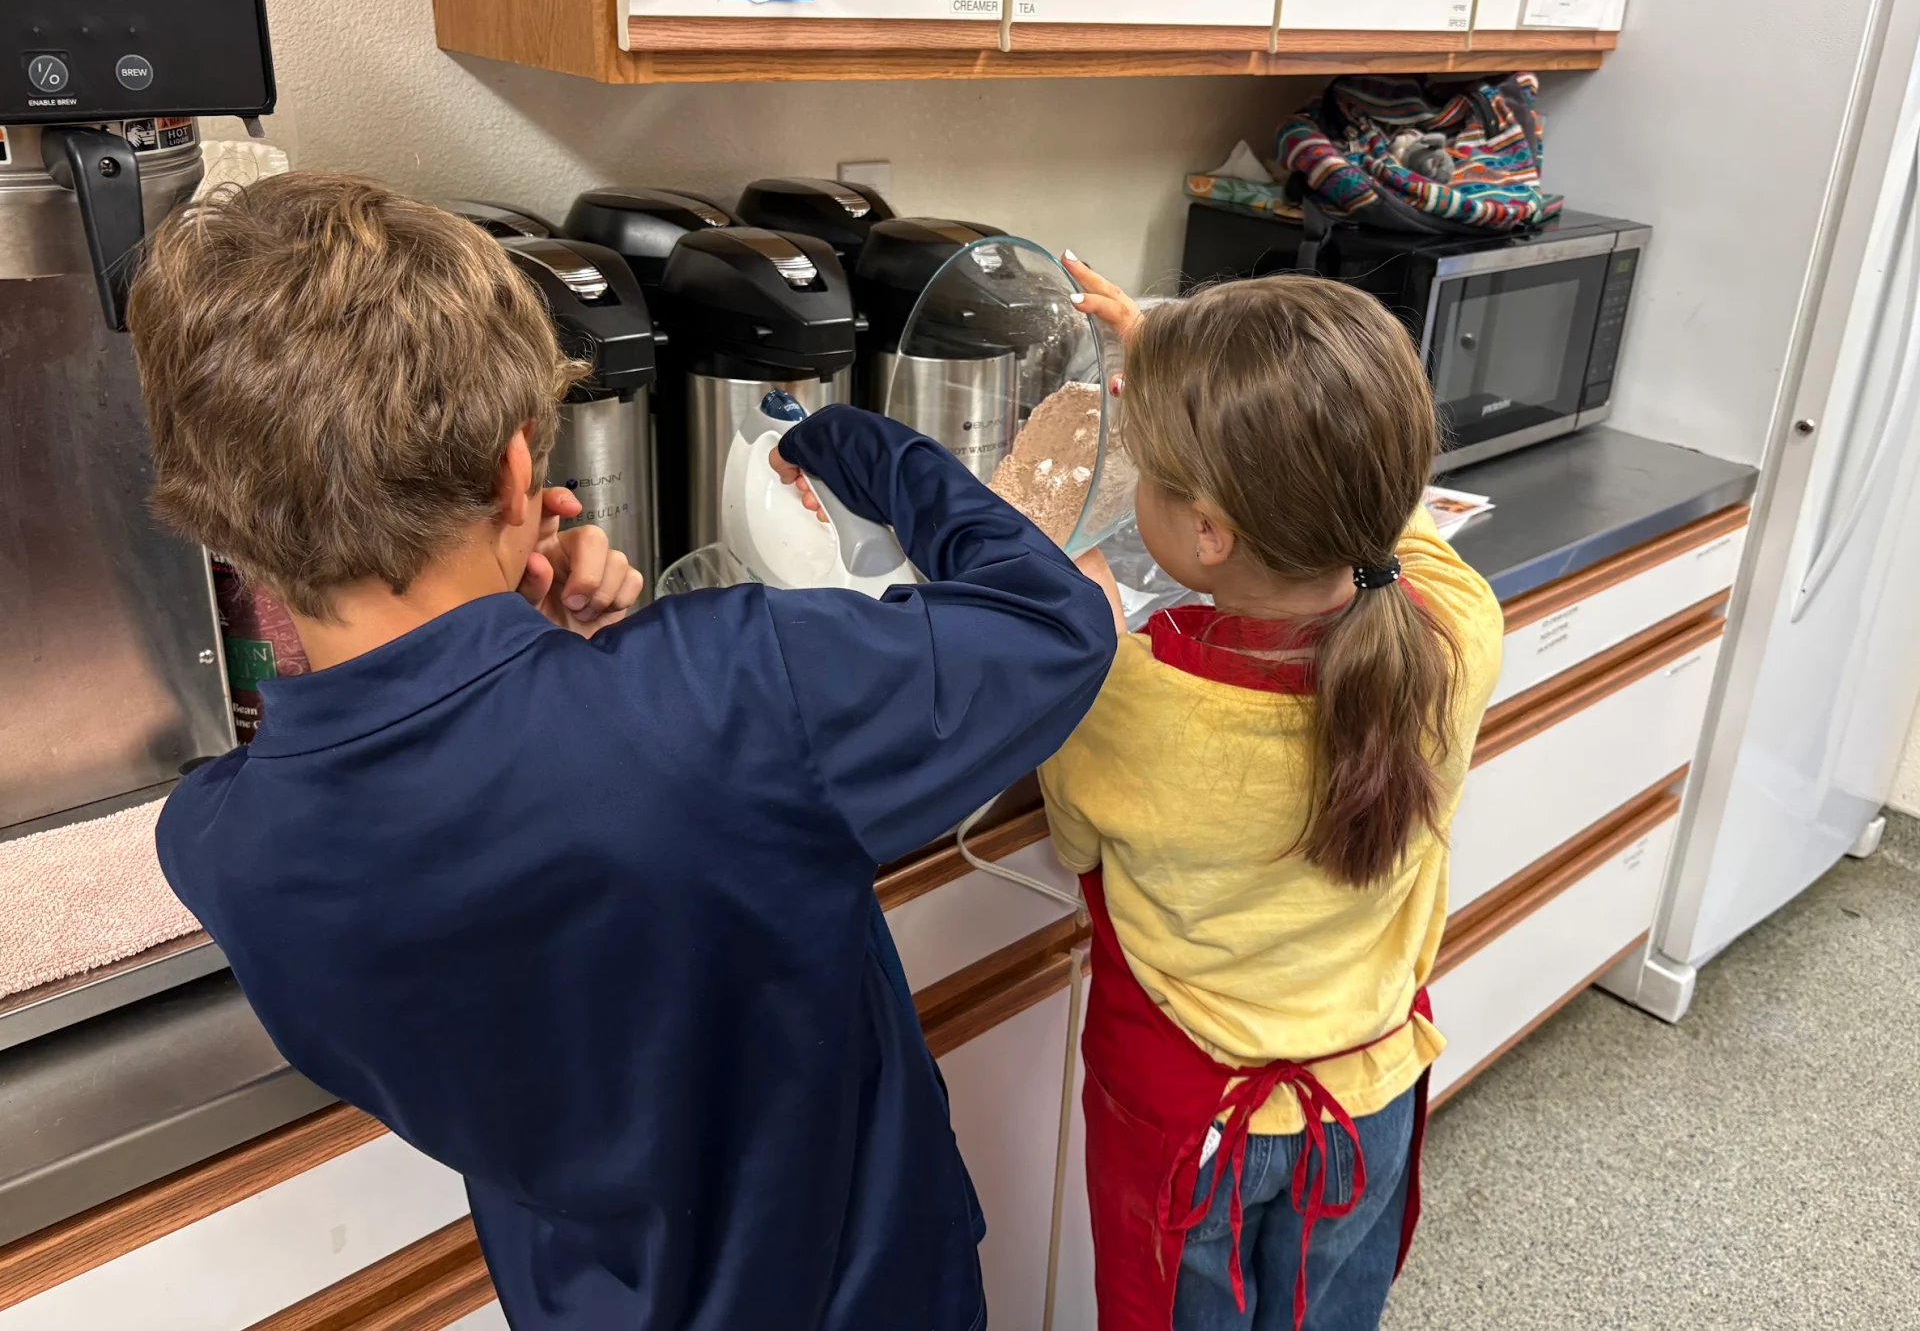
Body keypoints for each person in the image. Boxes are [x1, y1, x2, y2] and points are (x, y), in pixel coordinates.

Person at [135, 173, 1117, 1331]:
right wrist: (860, 446)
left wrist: (532, 652)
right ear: (516, 471)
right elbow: (1055, 624)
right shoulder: (729, 692)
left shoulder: (218, 846)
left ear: (227, 525)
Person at [1041, 257, 1504, 1331]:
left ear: (1209, 533)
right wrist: (1197, 385)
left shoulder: (1123, 701)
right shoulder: (1455, 636)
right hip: (1367, 1104)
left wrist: (1082, 614)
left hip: (1192, 1129)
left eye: (1147, 470)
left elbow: (1074, 842)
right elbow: (1382, 512)